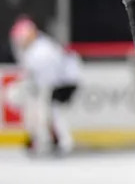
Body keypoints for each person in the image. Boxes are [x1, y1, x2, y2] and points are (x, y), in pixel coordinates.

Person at [8, 15, 81, 155]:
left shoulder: (40, 50)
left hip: (64, 81)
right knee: (47, 109)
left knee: (50, 109)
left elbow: (47, 78)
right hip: (60, 80)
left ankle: (61, 142)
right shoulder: (36, 47)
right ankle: (50, 140)